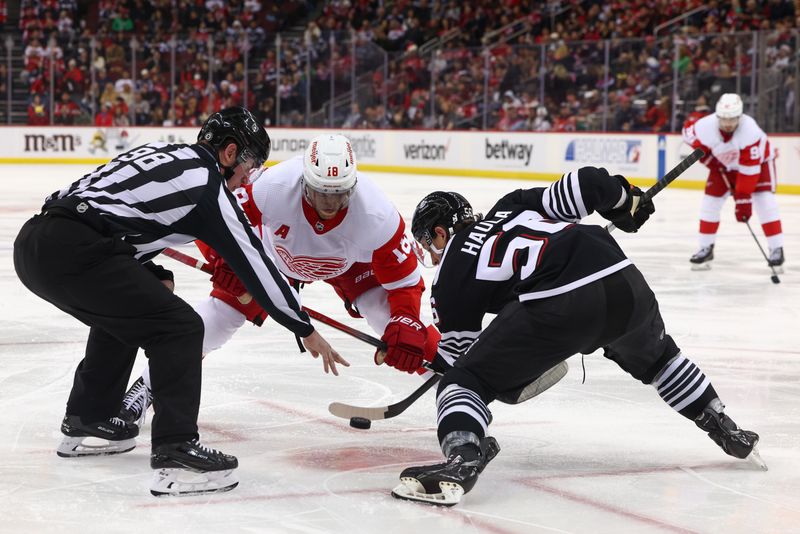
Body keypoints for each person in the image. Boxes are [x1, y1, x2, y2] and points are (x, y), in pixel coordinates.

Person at [13, 107, 346, 497]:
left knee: (137, 302)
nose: (249, 175)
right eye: (251, 163)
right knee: (182, 328)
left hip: (37, 242)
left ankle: (90, 417)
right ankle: (176, 449)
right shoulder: (209, 187)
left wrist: (151, 272)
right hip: (80, 251)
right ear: (229, 152)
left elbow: (101, 204)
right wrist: (301, 326)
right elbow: (256, 265)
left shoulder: (161, 152)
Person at [391, 168, 764, 506]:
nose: (432, 253)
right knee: (661, 360)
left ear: (440, 232)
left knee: (463, 384)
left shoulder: (450, 274)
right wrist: (625, 200)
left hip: (560, 304)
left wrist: (423, 356)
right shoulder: (513, 206)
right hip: (623, 279)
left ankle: (463, 460)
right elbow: (588, 184)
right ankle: (724, 426)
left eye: (428, 244)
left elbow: (460, 360)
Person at [118, 133, 440, 425]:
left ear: (352, 187)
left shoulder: (377, 213)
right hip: (274, 258)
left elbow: (404, 281)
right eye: (320, 193)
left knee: (391, 321)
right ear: (303, 182)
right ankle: (145, 389)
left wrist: (407, 320)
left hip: (351, 267)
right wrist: (225, 260)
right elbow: (218, 217)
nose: (329, 205)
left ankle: (457, 378)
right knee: (220, 316)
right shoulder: (274, 186)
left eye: (339, 195)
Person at [682, 93, 785, 270]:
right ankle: (705, 247)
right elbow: (688, 133)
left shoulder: (750, 131)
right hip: (724, 165)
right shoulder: (706, 125)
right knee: (710, 203)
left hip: (759, 166)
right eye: (723, 119)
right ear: (717, 116)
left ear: (740, 116)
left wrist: (743, 200)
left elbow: (749, 171)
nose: (728, 124)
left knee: (765, 202)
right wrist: (706, 156)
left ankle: (776, 249)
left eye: (733, 119)